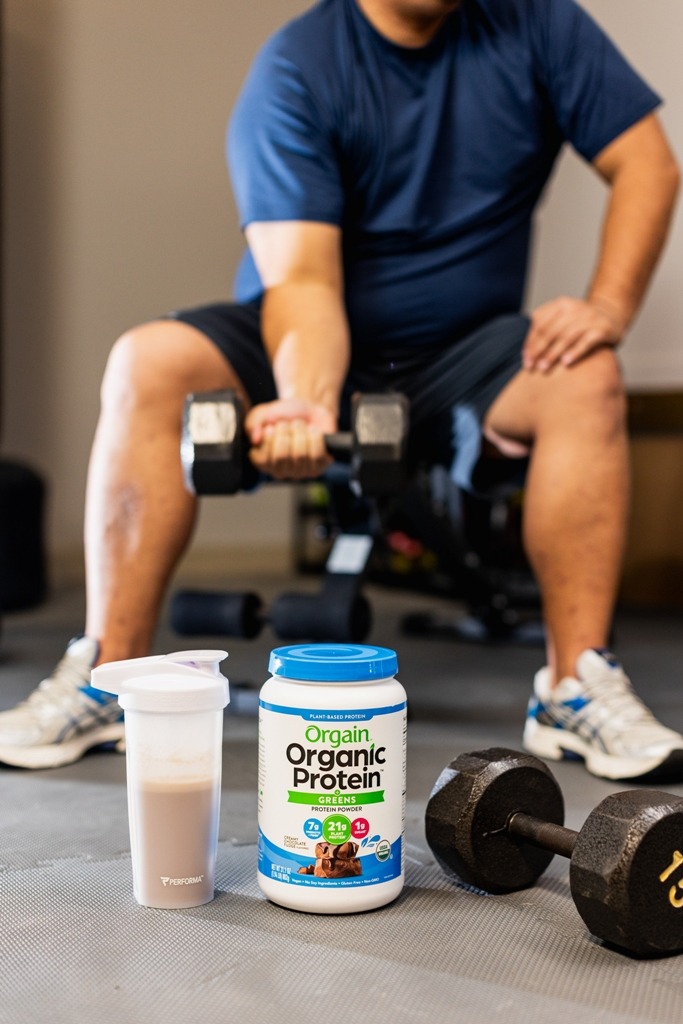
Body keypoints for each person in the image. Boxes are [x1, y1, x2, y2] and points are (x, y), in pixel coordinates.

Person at [0, 0, 681, 777]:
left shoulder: (540, 26)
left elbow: (646, 163)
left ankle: (573, 687)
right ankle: (107, 676)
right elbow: (301, 280)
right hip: (304, 336)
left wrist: (607, 307)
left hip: (460, 354)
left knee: (586, 374)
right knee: (147, 361)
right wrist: (306, 405)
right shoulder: (300, 66)